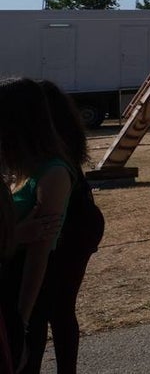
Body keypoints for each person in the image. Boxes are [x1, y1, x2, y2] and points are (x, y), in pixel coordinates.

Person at [27, 82, 104, 374]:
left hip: (72, 229)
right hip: (80, 225)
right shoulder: (64, 139)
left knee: (47, 308)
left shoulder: (52, 153)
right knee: (61, 310)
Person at [0, 78, 75, 370]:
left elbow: (38, 256)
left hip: (18, 292)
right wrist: (16, 235)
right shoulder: (15, 167)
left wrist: (22, 320)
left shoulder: (52, 174)